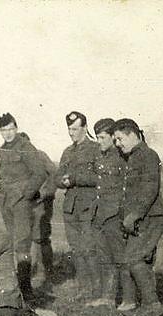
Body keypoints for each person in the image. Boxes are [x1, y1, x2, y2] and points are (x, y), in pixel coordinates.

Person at [112, 118, 163, 316]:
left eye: (120, 139)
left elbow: (149, 189)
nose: (118, 144)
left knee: (135, 258)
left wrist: (134, 216)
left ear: (132, 134)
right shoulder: (132, 157)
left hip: (152, 215)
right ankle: (145, 303)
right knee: (139, 259)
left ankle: (152, 305)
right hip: (141, 216)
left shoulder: (147, 155)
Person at [0, 113, 49, 299]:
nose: (8, 133)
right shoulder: (3, 149)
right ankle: (16, 287)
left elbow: (40, 173)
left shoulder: (25, 147)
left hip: (21, 203)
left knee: (22, 244)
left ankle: (26, 290)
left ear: (16, 128)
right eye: (3, 130)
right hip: (6, 202)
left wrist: (25, 195)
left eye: (10, 129)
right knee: (12, 243)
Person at [86, 118, 132, 308]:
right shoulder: (101, 156)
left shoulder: (122, 157)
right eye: (97, 137)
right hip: (101, 213)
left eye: (103, 137)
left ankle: (129, 299)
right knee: (105, 257)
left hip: (114, 214)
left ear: (113, 137)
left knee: (121, 257)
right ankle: (108, 297)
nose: (99, 141)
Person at [55, 112, 101, 299]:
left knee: (90, 249)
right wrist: (62, 181)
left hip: (88, 207)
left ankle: (97, 290)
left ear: (84, 128)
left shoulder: (96, 149)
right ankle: (84, 288)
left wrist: (75, 179)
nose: (71, 133)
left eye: (74, 129)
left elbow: (101, 177)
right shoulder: (67, 151)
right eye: (69, 129)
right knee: (76, 249)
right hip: (70, 208)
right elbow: (58, 177)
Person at [31, 148, 57, 290]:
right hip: (25, 204)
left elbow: (54, 174)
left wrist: (45, 193)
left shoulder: (40, 155)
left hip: (41, 203)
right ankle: (30, 270)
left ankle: (44, 272)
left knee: (40, 237)